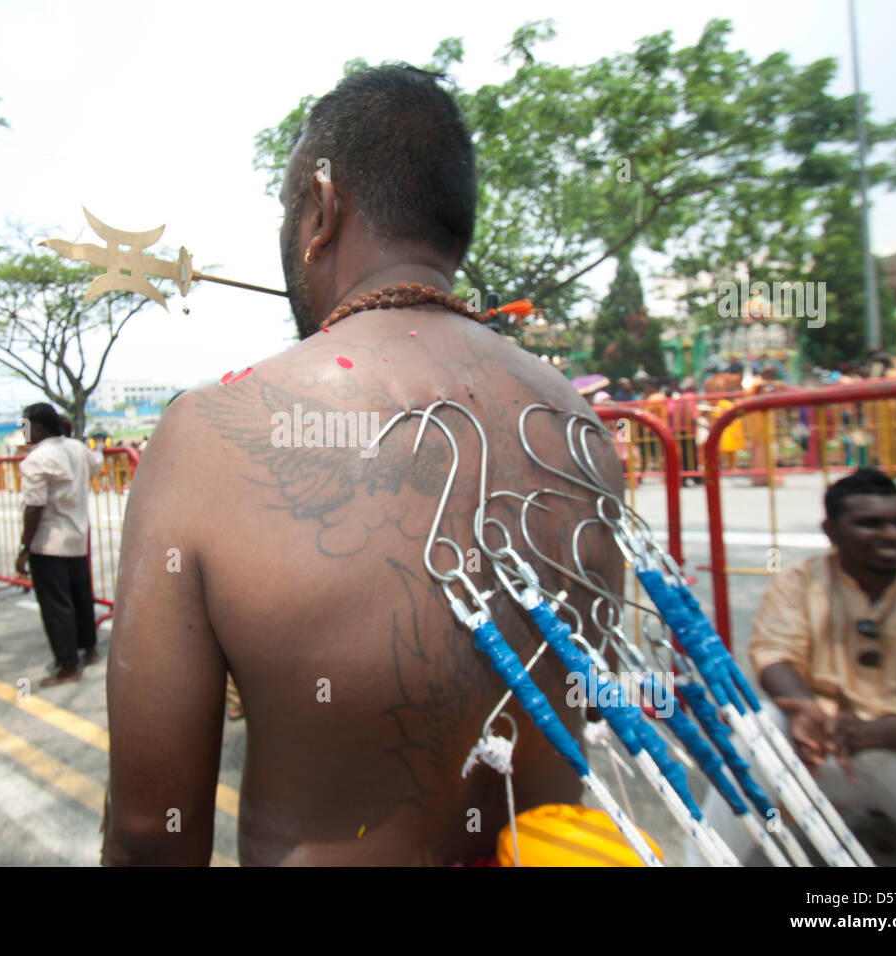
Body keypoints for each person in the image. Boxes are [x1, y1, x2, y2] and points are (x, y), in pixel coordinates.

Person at [103, 64, 625, 866]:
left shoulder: (205, 437)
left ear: (322, 206)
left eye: (290, 212)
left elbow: (151, 833)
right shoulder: (577, 424)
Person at [692, 469, 896, 865]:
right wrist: (805, 710)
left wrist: (875, 731)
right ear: (831, 530)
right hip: (819, 745)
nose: (892, 535)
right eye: (871, 524)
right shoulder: (800, 581)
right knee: (757, 731)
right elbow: (775, 652)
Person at [15, 402, 101, 686]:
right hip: (76, 536)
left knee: (56, 606)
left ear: (38, 427)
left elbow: (34, 506)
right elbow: (97, 465)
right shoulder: (77, 448)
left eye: (25, 425)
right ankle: (89, 648)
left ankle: (67, 665)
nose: (23, 430)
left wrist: (24, 548)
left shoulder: (36, 459)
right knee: (80, 595)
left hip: (49, 542)